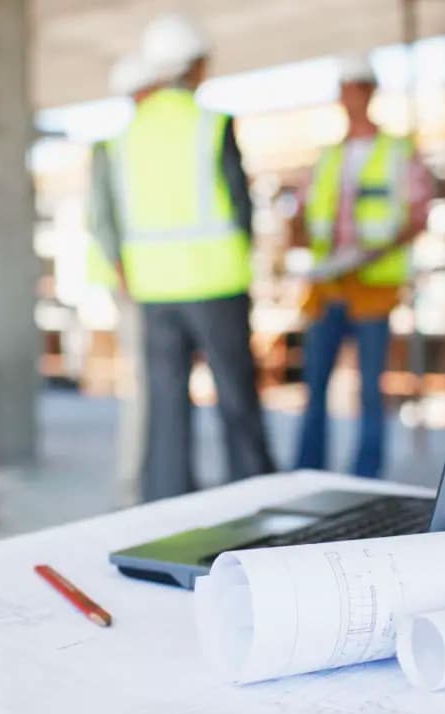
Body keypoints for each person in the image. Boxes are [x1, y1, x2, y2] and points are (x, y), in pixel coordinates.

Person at [109, 11, 275, 501]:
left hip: (155, 289)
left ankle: (165, 506)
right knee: (236, 399)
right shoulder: (211, 124)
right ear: (195, 66)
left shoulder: (125, 136)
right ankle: (254, 499)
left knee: (167, 409)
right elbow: (242, 206)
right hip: (215, 283)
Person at [295, 54, 432, 479]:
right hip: (326, 286)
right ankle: (306, 472)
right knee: (315, 386)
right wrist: (300, 247)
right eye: (344, 89)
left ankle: (366, 477)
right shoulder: (326, 158)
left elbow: (418, 215)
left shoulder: (397, 152)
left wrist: (375, 250)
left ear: (370, 92)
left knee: (371, 390)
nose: (349, 97)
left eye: (357, 87)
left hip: (373, 286)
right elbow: (300, 214)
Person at [87, 54, 159, 506]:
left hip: (164, 285)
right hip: (135, 287)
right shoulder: (116, 148)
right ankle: (133, 486)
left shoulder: (142, 146)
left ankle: (154, 478)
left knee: (158, 387)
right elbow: (104, 223)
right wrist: (125, 277)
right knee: (146, 388)